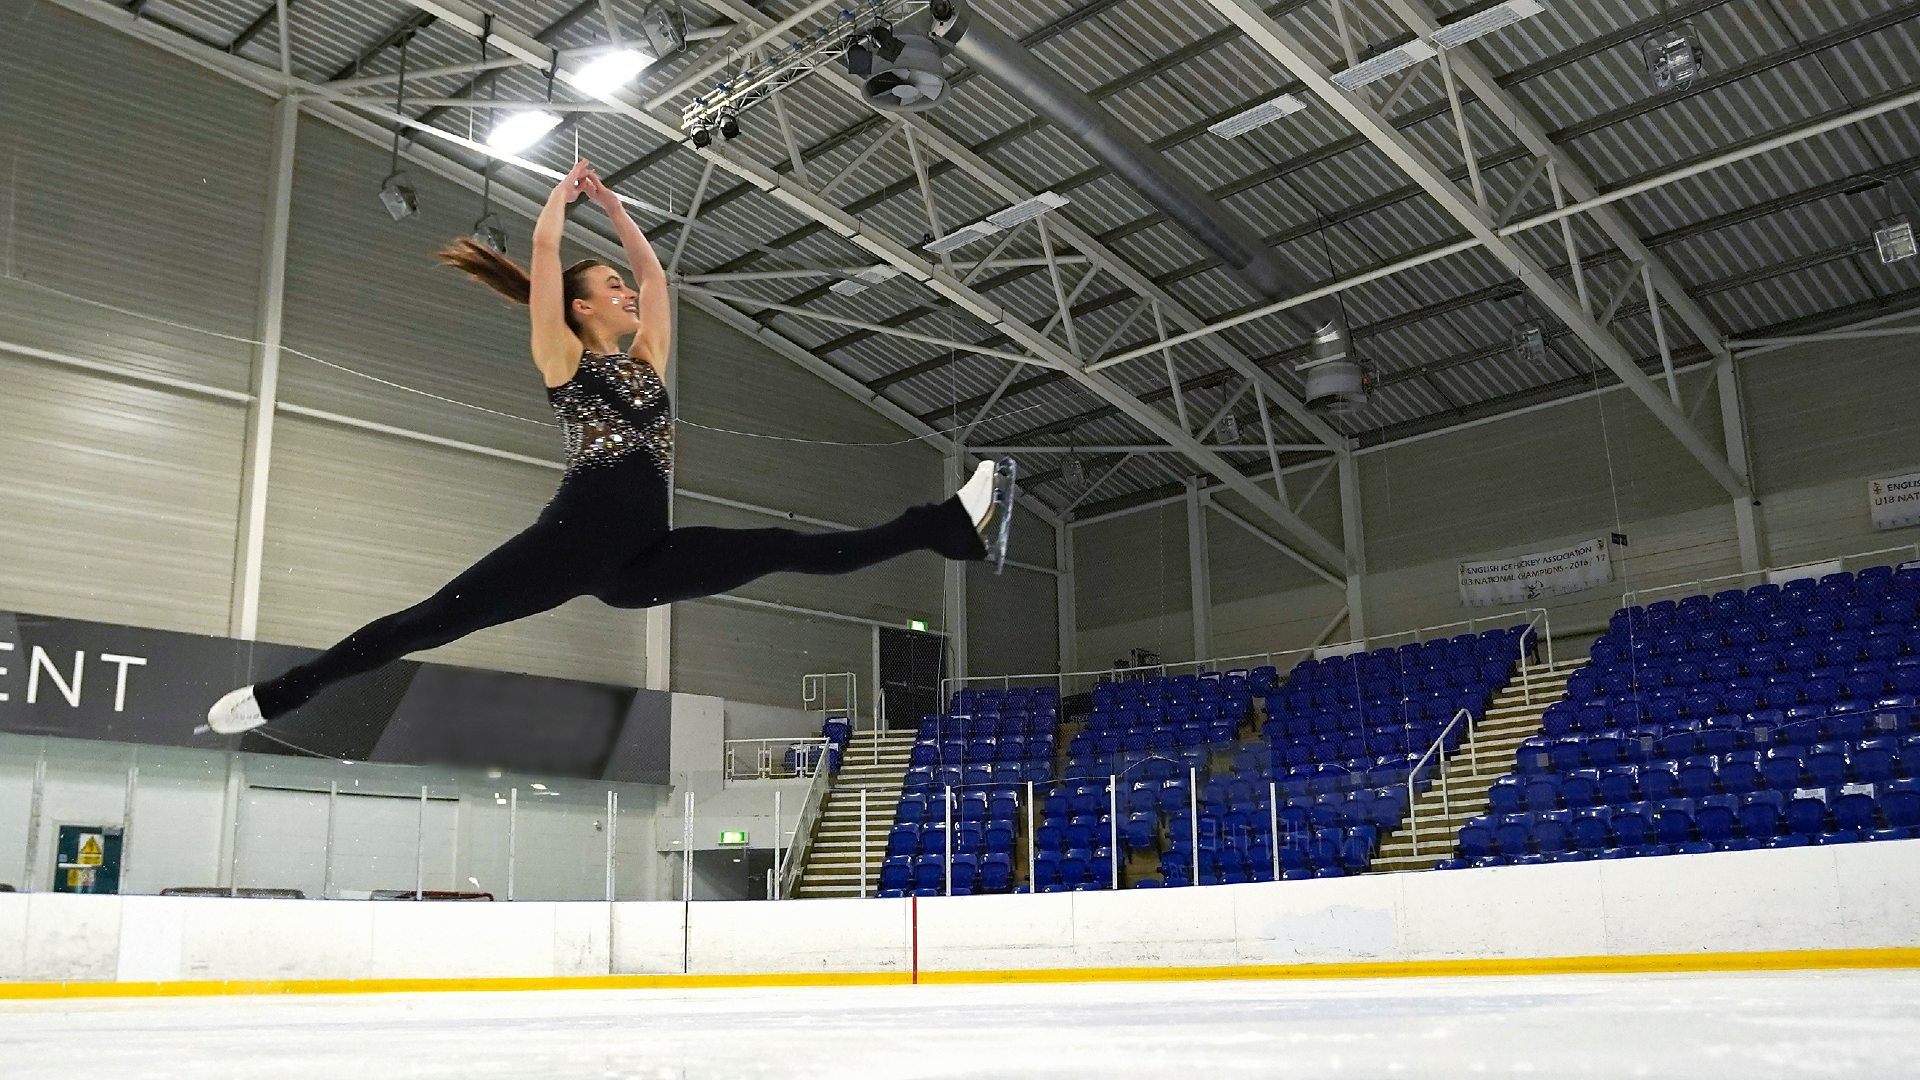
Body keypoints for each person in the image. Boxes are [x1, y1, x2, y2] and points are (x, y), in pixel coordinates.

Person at [207, 160, 1013, 735]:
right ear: (581, 307)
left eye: (623, 286)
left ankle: (944, 528)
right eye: (613, 289)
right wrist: (561, 202)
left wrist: (622, 215)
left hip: (640, 560)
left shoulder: (643, 364)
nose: (628, 294)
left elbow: (659, 285)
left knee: (781, 546)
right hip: (567, 543)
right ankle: (283, 695)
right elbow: (547, 261)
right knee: (428, 623)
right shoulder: (565, 361)